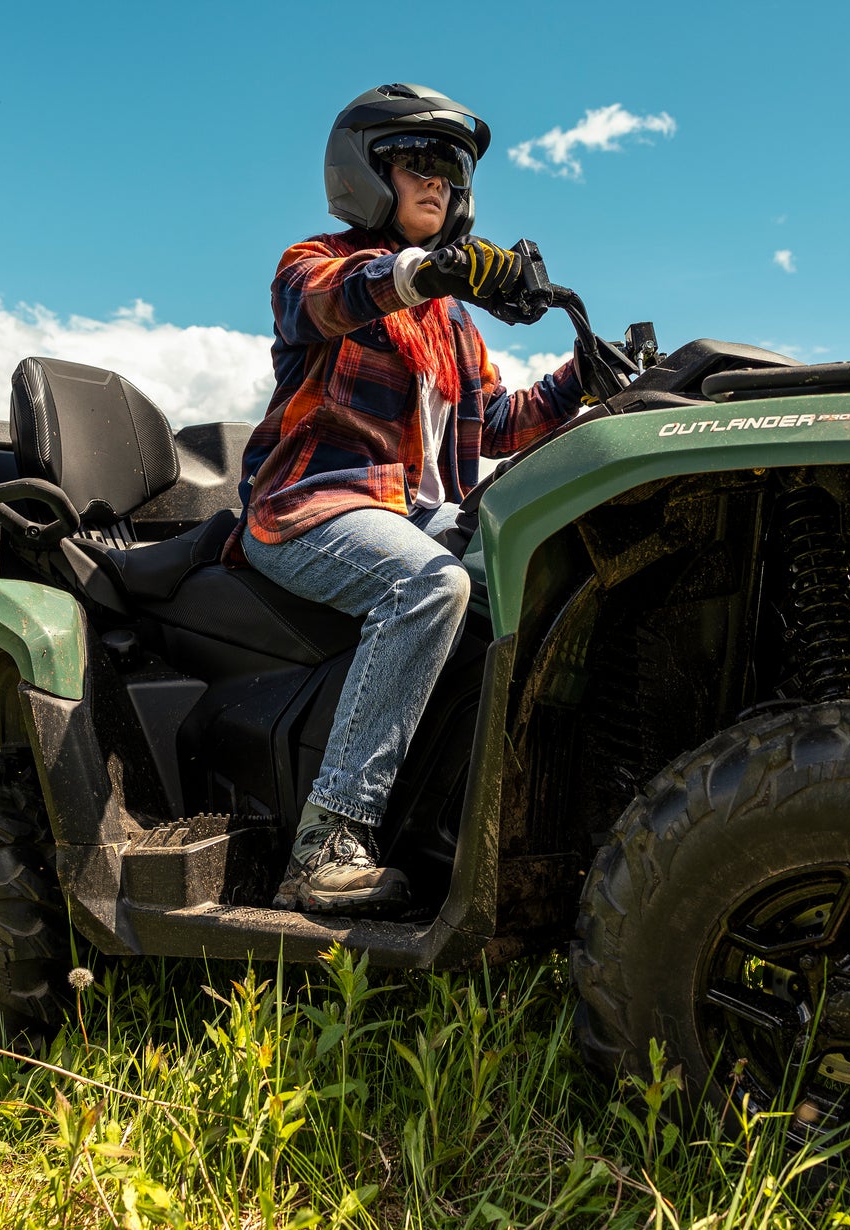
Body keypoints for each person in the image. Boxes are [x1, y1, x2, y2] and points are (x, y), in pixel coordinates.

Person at [233, 83, 584, 916]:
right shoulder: (313, 261)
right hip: (311, 508)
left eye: (452, 170)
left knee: (542, 574)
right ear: (363, 172)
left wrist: (583, 381)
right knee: (429, 583)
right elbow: (330, 300)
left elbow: (499, 422)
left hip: (416, 516)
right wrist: (422, 271)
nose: (441, 183)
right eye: (417, 161)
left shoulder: (455, 323)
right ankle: (325, 846)